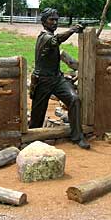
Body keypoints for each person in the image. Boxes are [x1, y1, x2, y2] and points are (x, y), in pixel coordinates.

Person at [29, 8, 90, 149]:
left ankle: (77, 136)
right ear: (44, 22)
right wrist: (73, 29)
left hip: (56, 78)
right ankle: (32, 139)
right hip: (42, 80)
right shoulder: (44, 37)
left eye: (56, 19)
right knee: (37, 114)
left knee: (74, 99)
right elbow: (56, 40)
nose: (55, 22)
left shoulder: (50, 36)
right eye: (51, 19)